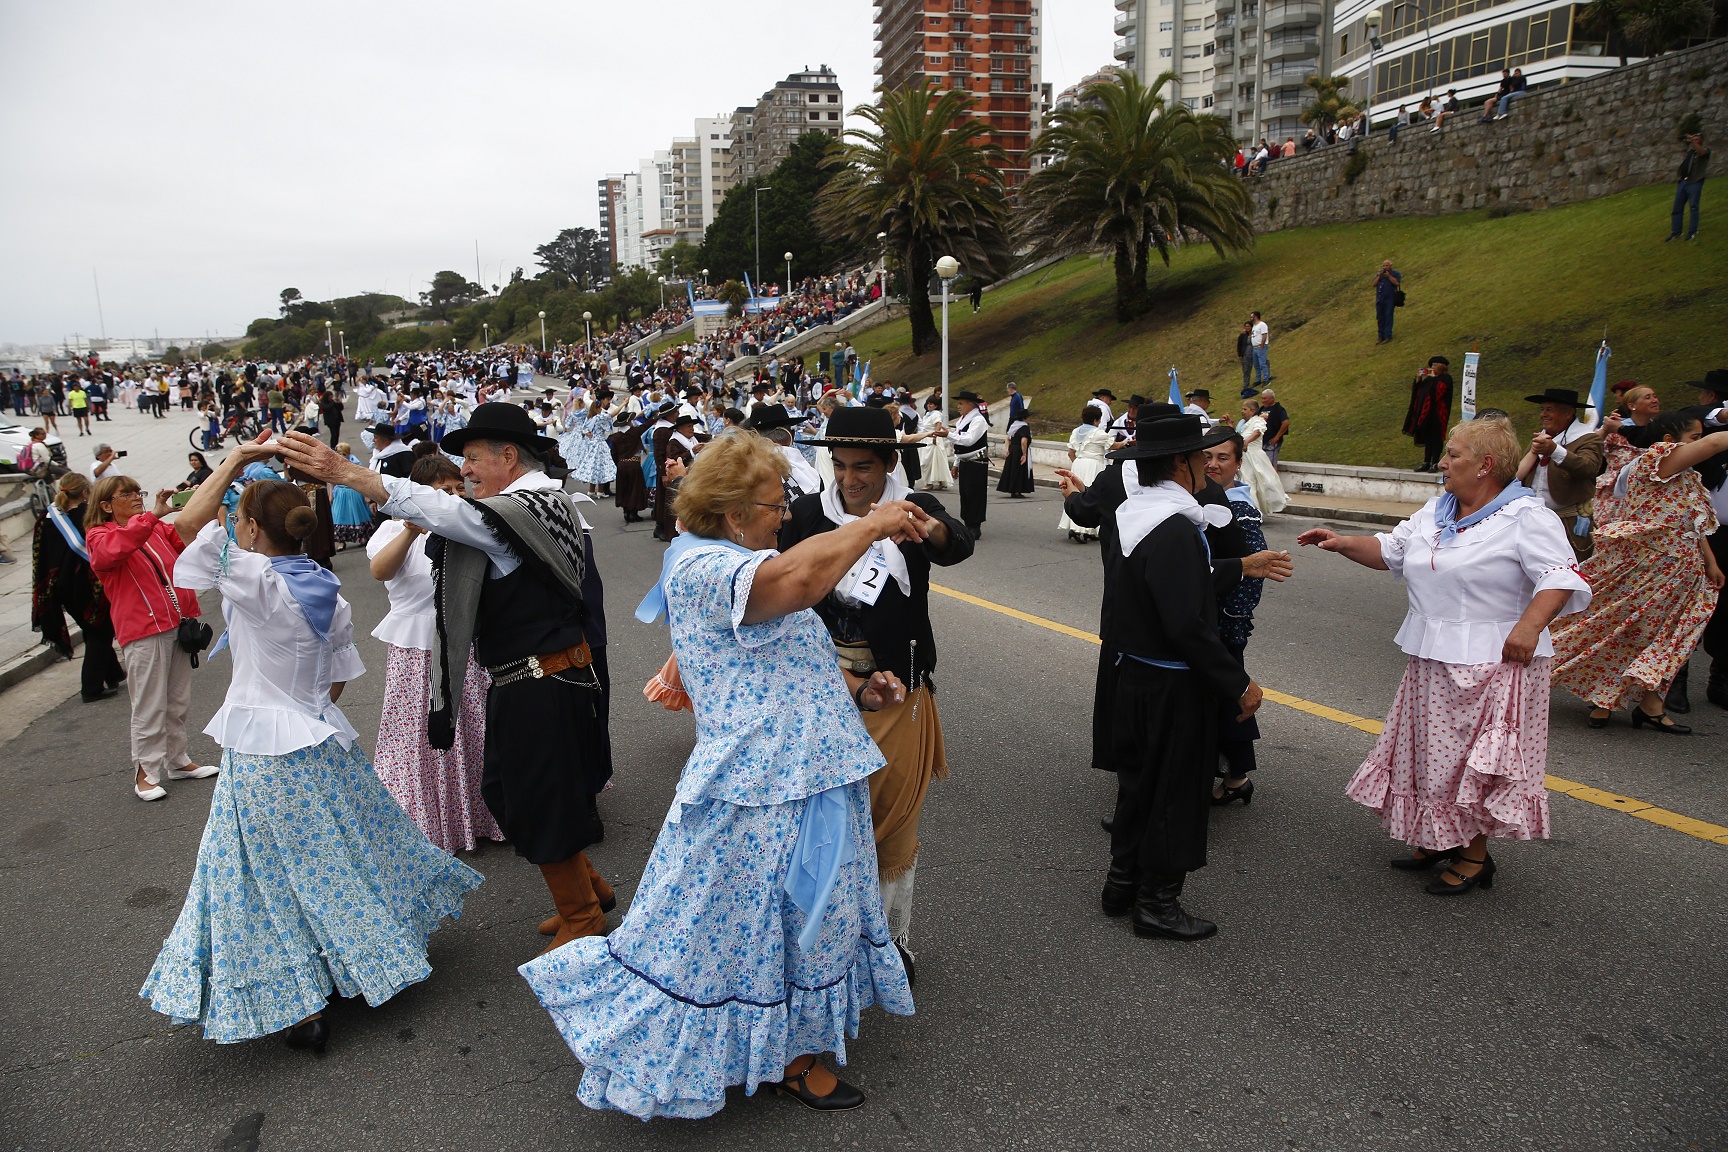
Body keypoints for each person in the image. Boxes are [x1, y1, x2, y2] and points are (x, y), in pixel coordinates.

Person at [526, 431, 918, 1120]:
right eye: (773, 504)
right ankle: (771, 1056)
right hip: (759, 785)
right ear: (735, 512)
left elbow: (789, 661)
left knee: (800, 918)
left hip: (807, 773)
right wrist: (874, 522)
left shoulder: (740, 559)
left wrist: (861, 692)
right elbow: (800, 581)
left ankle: (787, 1047)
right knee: (743, 924)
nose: (784, 513)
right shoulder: (703, 569)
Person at [140, 468, 482, 1054]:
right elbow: (338, 682)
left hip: (261, 746)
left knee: (255, 875)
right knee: (339, 855)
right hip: (320, 738)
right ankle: (364, 960)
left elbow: (185, 527)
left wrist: (236, 458)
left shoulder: (252, 576)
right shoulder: (326, 585)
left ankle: (297, 1002)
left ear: (249, 527)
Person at [276, 406, 617, 958]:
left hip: (544, 680)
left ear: (508, 457)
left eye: (474, 459)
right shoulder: (532, 504)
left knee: (538, 798)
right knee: (519, 792)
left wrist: (349, 473)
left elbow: (441, 512)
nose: (467, 470)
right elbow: (445, 516)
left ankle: (583, 914)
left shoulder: (523, 509)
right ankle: (587, 890)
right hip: (532, 678)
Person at [1297, 417, 1590, 895]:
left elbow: (1560, 577)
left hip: (1493, 662)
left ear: (1486, 465)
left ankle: (1475, 856)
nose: (1443, 462)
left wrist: (1529, 626)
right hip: (1434, 656)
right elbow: (1391, 551)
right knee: (1430, 756)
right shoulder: (1438, 509)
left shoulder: (1527, 516)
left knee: (1470, 763)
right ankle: (1438, 838)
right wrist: (1342, 542)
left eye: (1454, 454)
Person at [781, 406, 974, 980]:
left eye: (861, 466)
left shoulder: (913, 507)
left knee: (890, 821)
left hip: (896, 688)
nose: (848, 479)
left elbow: (954, 543)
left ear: (890, 462)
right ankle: (825, 945)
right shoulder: (809, 513)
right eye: (838, 466)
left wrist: (925, 525)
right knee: (824, 823)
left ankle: (885, 943)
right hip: (821, 687)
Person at [1097, 412, 1263, 941]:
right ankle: (1156, 905)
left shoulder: (1135, 515)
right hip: (1173, 684)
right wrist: (1237, 683)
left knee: (1139, 787)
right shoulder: (1173, 527)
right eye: (1200, 459)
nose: (1208, 470)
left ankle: (1121, 884)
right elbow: (1187, 624)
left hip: (1133, 675)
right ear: (1180, 464)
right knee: (1175, 793)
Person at [1549, 411, 1728, 733]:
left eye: (1699, 439)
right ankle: (1603, 699)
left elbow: (1692, 525)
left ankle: (1649, 705)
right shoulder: (1658, 461)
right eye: (1693, 438)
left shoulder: (1687, 477)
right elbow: (1717, 441)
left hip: (1680, 569)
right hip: (1651, 568)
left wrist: (1710, 562)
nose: (1699, 444)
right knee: (1631, 630)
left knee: (1666, 637)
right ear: (1670, 442)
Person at [368, 453, 504, 854]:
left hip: (467, 641)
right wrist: (412, 530)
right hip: (417, 647)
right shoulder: (392, 530)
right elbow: (381, 571)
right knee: (421, 735)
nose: (455, 495)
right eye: (443, 490)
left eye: (459, 487)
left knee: (476, 729)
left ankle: (486, 813)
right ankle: (431, 820)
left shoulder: (468, 525)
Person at [86, 472, 218, 802]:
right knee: (149, 704)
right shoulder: (100, 536)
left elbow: (187, 540)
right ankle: (146, 771)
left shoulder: (153, 527)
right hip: (143, 630)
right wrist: (152, 516)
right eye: (126, 494)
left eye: (137, 492)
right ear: (106, 505)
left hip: (175, 623)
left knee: (177, 699)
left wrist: (204, 499)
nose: (136, 497)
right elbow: (112, 553)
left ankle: (177, 760)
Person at [1202, 435, 1267, 805]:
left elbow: (1255, 570)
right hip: (1205, 618)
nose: (1213, 464)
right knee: (1222, 697)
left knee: (1230, 696)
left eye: (1223, 457)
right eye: (1206, 456)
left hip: (1223, 622)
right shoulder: (1201, 498)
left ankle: (1236, 776)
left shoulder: (1239, 508)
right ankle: (1236, 775)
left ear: (1238, 463)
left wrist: (1231, 619)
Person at [32, 473, 124, 702]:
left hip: (60, 588)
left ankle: (113, 673)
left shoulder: (46, 517)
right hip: (87, 587)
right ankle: (91, 689)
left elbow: (39, 556)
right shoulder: (87, 516)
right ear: (85, 493)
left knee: (92, 628)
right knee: (100, 632)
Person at [1515, 387, 1606, 561]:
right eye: (1542, 409)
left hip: (1568, 522)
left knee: (1572, 568)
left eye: (1550, 409)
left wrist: (1555, 450)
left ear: (1569, 412)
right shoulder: (1541, 437)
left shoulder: (1588, 438)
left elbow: (1589, 468)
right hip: (1535, 520)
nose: (1543, 414)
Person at [1058, 405, 1112, 542]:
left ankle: (1082, 529)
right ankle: (1083, 529)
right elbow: (1113, 445)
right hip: (1093, 464)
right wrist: (1126, 442)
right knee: (1092, 495)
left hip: (1078, 463)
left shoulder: (1076, 432)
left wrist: (1078, 462)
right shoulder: (1098, 433)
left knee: (1076, 493)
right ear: (1096, 420)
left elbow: (1070, 453)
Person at [1235, 399, 1289, 514]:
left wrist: (1247, 442)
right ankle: (1250, 509)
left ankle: (1253, 510)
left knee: (1260, 483)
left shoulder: (1259, 421)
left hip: (1254, 457)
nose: (1242, 411)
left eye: (1245, 409)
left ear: (1253, 411)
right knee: (1247, 482)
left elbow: (1257, 432)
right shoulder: (1244, 423)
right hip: (1244, 457)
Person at [949, 391, 990, 539]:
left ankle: (975, 526)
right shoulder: (963, 420)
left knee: (975, 494)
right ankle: (968, 522)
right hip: (966, 461)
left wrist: (947, 434)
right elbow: (960, 444)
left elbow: (968, 440)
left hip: (976, 462)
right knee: (965, 493)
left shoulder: (978, 420)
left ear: (970, 404)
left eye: (961, 403)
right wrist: (956, 463)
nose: (958, 406)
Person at [1403, 356, 1454, 472]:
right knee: (1427, 437)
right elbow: (1419, 392)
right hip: (1426, 414)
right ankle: (1426, 461)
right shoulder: (1429, 380)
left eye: (1435, 365)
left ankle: (1435, 462)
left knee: (1436, 437)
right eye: (1431, 365)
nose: (1432, 368)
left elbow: (1438, 393)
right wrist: (1418, 379)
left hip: (1438, 414)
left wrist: (1434, 379)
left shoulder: (1445, 379)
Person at [328, 442, 374, 548]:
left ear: (348, 453)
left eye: (343, 454)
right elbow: (331, 481)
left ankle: (363, 537)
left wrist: (366, 494)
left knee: (358, 514)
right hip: (340, 492)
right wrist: (331, 495)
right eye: (339, 453)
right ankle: (341, 541)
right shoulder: (334, 464)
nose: (341, 456)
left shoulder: (355, 463)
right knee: (339, 516)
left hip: (354, 491)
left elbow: (362, 480)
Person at [1667, 131, 1709, 243]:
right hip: (1683, 182)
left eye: (1697, 139)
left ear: (1702, 140)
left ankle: (1692, 231)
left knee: (1693, 207)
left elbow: (1702, 152)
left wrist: (1692, 141)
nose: (1694, 140)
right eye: (1693, 138)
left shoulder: (1704, 151)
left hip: (1694, 182)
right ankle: (1676, 232)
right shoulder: (1691, 152)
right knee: (1677, 208)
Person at [916, 396, 953, 491]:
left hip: (933, 440)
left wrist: (935, 436)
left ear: (936, 405)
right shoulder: (927, 414)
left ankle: (930, 483)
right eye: (928, 403)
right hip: (926, 439)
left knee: (933, 461)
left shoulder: (936, 414)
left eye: (931, 404)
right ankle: (933, 481)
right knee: (927, 462)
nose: (929, 405)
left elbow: (938, 425)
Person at [997, 407, 1034, 497]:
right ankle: (1017, 490)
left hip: (1012, 449)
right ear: (1024, 418)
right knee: (1019, 470)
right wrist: (1024, 454)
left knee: (1011, 469)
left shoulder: (1014, 426)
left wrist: (1007, 449)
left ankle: (1012, 489)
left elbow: (1007, 438)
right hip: (1019, 450)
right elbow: (1023, 442)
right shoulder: (1024, 427)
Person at [1373, 261, 1402, 344]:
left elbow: (1397, 283)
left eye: (1387, 265)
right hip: (1380, 300)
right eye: (1384, 265)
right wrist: (1378, 276)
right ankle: (1380, 336)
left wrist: (1389, 276)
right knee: (1380, 318)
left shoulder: (1395, 273)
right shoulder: (1380, 275)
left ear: (1391, 266)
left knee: (1388, 317)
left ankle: (1387, 336)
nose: (1385, 267)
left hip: (1390, 300)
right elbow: (1374, 284)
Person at [1259, 389, 1290, 466]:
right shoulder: (1262, 409)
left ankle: (1273, 478)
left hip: (1271, 442)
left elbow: (1285, 423)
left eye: (1265, 398)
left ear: (1272, 398)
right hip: (1261, 441)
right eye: (1262, 398)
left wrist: (1277, 437)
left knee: (1271, 465)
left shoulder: (1278, 409)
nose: (1263, 401)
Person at [1249, 312, 1271, 386]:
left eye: (1251, 317)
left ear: (1255, 317)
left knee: (1262, 363)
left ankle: (1266, 379)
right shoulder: (1254, 326)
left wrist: (1262, 345)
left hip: (1260, 347)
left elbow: (1264, 335)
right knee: (1256, 364)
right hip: (1254, 348)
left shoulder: (1262, 325)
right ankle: (1258, 379)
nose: (1250, 318)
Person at [1236, 321, 1255, 398]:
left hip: (1254, 353)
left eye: (1248, 326)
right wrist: (1240, 354)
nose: (1247, 328)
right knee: (1246, 370)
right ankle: (1245, 385)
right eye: (1246, 326)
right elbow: (1239, 345)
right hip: (1245, 355)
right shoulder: (1242, 336)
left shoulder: (1254, 334)